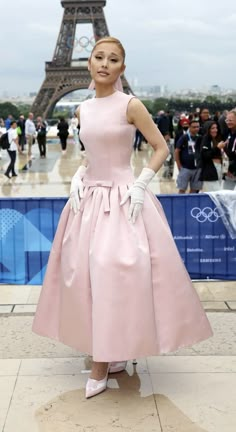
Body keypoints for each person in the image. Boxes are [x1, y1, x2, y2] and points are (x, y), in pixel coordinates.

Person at [32, 36, 212, 399]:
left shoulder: (131, 105)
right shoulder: (82, 110)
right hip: (90, 201)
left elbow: (161, 147)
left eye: (113, 59)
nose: (104, 63)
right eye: (98, 57)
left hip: (124, 199)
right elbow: (91, 154)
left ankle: (103, 358)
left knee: (112, 275)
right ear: (89, 63)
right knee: (86, 276)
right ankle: (109, 350)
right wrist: (81, 176)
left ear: (122, 68)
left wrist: (142, 183)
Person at [175, 120, 202, 193]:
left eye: (197, 127)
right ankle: (180, 203)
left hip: (197, 168)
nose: (196, 129)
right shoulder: (184, 137)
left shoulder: (200, 138)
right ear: (189, 128)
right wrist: (179, 165)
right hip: (185, 167)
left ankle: (191, 204)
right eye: (194, 127)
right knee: (182, 188)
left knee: (195, 189)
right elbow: (177, 150)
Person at [199, 121, 224, 191]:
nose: (215, 130)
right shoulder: (206, 139)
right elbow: (205, 155)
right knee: (215, 194)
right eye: (212, 128)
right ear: (208, 129)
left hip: (217, 170)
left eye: (216, 128)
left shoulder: (215, 139)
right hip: (210, 172)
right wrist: (217, 148)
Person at [223, 109, 236, 190]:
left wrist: (223, 147)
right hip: (229, 170)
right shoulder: (227, 132)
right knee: (226, 195)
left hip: (233, 168)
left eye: (231, 120)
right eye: (227, 120)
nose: (228, 122)